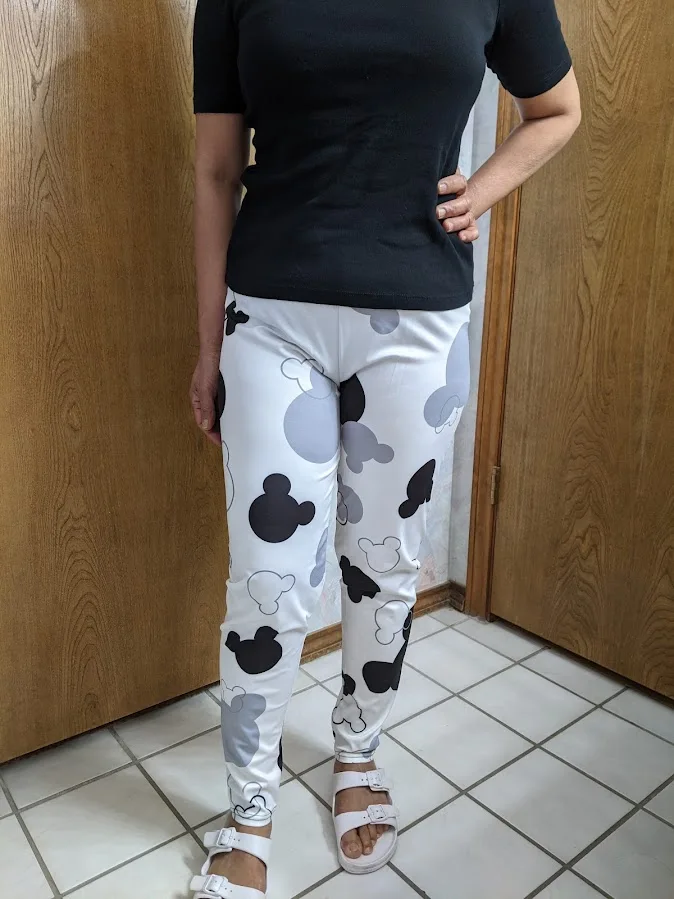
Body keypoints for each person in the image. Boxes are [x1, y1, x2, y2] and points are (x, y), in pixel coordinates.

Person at [188, 0, 581, 895]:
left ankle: (358, 749)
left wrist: (483, 189)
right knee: (268, 578)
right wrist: (208, 344)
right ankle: (250, 805)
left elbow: (557, 109)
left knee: (385, 563)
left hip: (417, 323)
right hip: (272, 318)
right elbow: (215, 169)